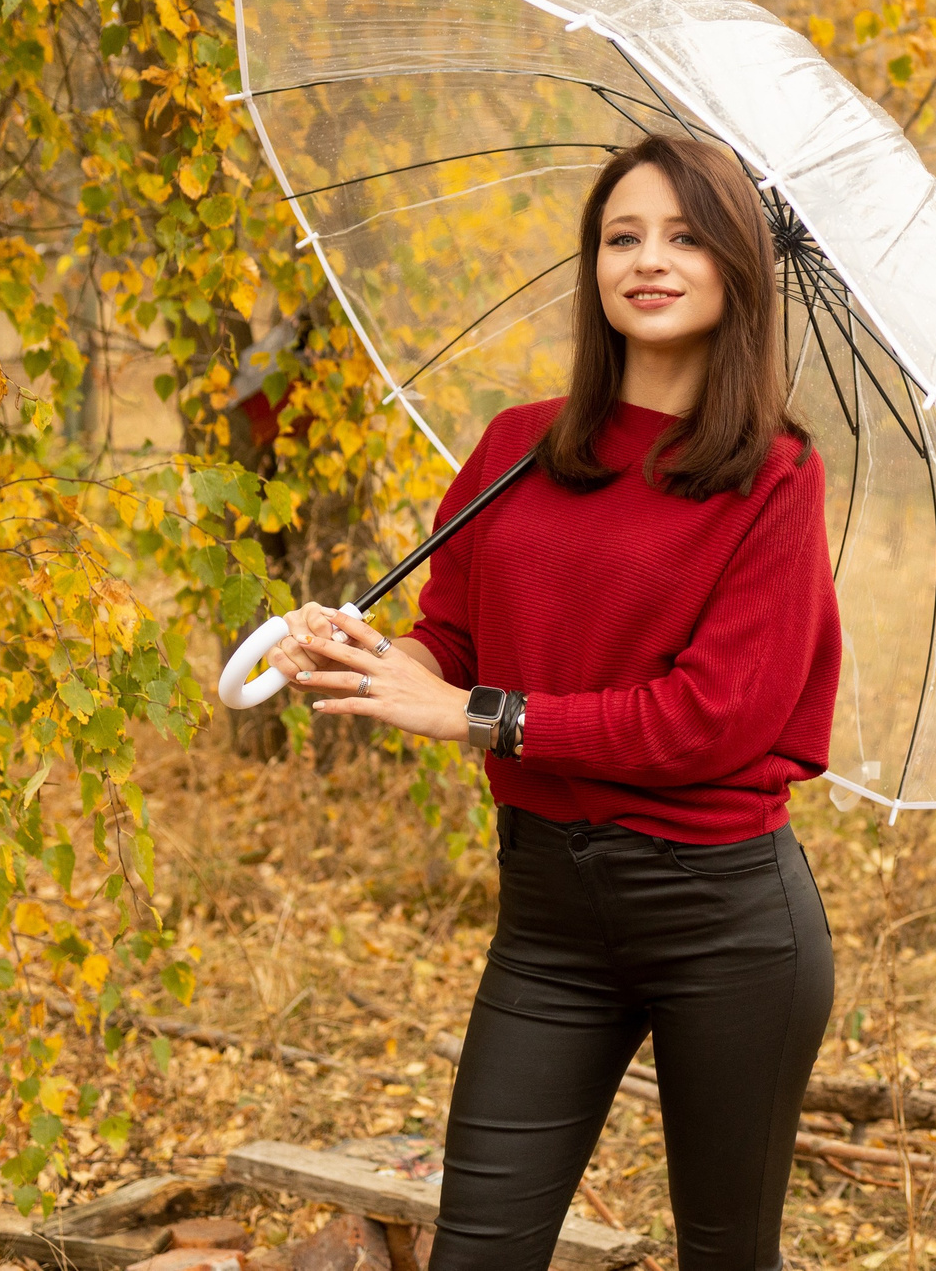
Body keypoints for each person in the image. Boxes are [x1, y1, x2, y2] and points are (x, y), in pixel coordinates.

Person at [263, 134, 841, 1271]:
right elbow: (450, 642)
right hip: (549, 920)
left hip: (721, 921)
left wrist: (481, 716)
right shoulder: (518, 447)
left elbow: (706, 721)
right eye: (621, 236)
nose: (648, 260)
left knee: (726, 1256)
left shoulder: (772, 472)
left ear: (735, 269)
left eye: (684, 236)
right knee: (479, 1251)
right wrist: (365, 660)